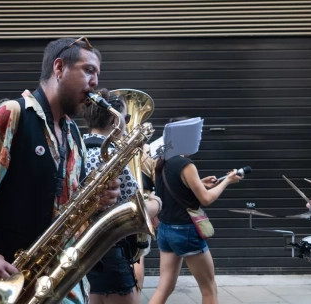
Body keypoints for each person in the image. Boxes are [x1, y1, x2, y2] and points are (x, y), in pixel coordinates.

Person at [0, 37, 120, 304]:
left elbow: (69, 204)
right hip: (15, 282)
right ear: (59, 68)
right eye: (88, 70)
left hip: (63, 284)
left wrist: (98, 200)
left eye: (97, 73)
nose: (95, 82)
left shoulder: (73, 133)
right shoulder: (12, 113)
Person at [148, 118, 243, 304]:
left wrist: (201, 183)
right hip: (186, 232)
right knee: (209, 289)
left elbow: (174, 188)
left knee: (164, 287)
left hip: (166, 231)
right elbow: (206, 199)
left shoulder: (162, 161)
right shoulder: (186, 165)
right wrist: (227, 181)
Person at [82, 88, 161, 304]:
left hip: (83, 252)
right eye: (126, 118)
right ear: (115, 120)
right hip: (109, 251)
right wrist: (157, 201)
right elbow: (135, 208)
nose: (128, 123)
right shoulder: (109, 157)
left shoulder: (78, 147)